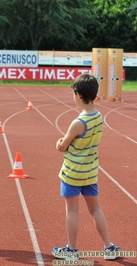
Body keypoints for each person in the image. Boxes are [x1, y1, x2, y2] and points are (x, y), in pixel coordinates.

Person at [52, 74, 120, 261]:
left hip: (73, 173)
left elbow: (62, 146)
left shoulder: (78, 123)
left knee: (72, 210)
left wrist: (59, 143)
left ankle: (72, 250)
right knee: (95, 209)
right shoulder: (99, 117)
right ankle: (109, 247)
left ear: (79, 95)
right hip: (90, 172)